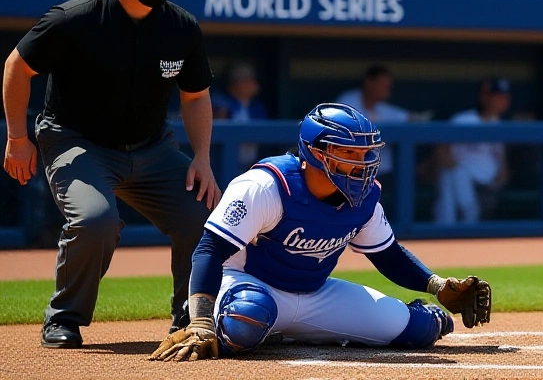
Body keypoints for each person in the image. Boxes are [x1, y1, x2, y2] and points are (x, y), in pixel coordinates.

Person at [3, 0, 221, 349]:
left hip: (152, 148)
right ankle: (64, 317)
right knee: (96, 220)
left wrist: (203, 158)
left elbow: (195, 97)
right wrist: (17, 137)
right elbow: (17, 66)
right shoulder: (75, 18)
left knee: (207, 214)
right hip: (77, 140)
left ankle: (190, 317)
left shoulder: (181, 27)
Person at [149, 103, 491, 362]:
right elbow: (208, 250)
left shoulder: (365, 197)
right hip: (246, 283)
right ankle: (212, 322)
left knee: (418, 330)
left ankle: (426, 317)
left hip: (315, 293)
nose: (362, 162)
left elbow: (386, 254)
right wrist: (202, 320)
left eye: (364, 153)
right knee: (246, 317)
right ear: (316, 152)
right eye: (348, 152)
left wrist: (436, 285)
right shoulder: (267, 185)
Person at [437, 78, 511, 225]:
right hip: (462, 183)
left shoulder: (499, 125)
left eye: (504, 97)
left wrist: (502, 174)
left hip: (487, 187)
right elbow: (442, 151)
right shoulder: (463, 120)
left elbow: (501, 160)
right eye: (496, 96)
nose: (501, 101)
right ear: (484, 97)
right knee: (455, 178)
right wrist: (455, 170)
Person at [336, 65, 410, 124]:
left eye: (388, 86)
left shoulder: (381, 106)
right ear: (369, 83)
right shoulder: (347, 102)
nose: (387, 90)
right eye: (383, 86)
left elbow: (406, 117)